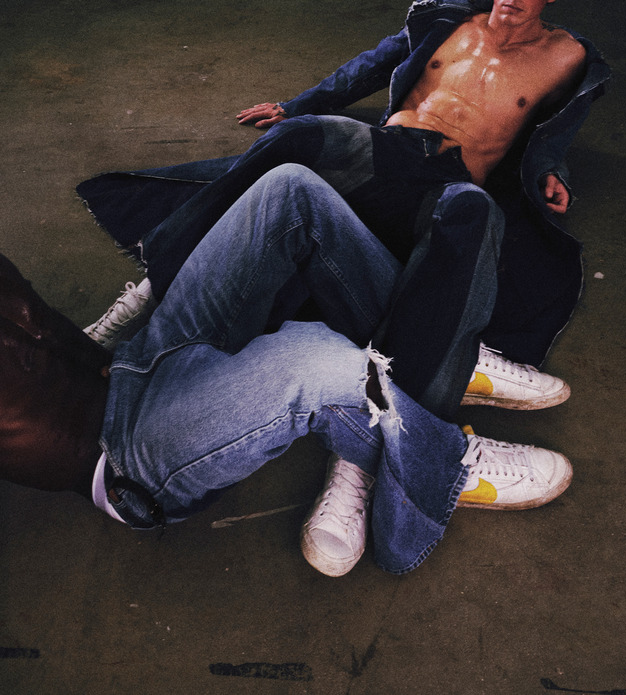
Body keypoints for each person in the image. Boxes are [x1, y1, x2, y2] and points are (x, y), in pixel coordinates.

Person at [1, 164, 573, 578]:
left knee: (289, 192)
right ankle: (439, 466)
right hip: (124, 453)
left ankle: (429, 365)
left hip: (130, 362)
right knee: (313, 359)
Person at [77, 0, 610, 421]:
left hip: (451, 178)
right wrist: (297, 106)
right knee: (299, 136)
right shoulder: (448, 19)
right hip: (388, 148)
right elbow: (370, 67)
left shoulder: (568, 59)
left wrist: (551, 173)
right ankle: (156, 285)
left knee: (474, 216)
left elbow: (553, 132)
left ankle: (410, 401)